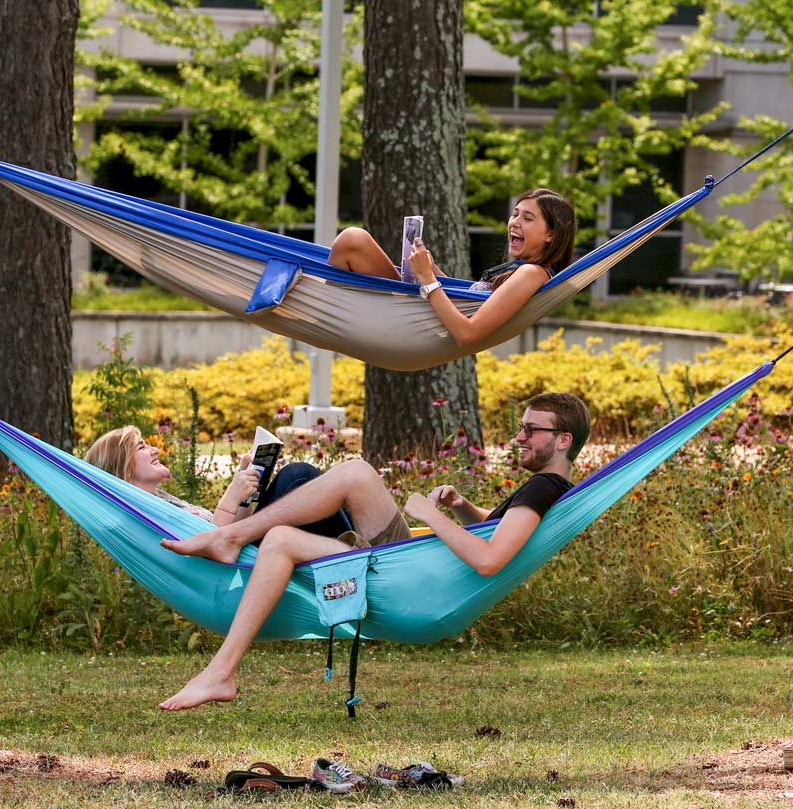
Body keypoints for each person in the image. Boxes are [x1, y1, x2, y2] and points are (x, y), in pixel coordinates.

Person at [155, 392, 590, 710]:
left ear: (563, 440)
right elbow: (497, 535)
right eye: (521, 427)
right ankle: (221, 667)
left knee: (355, 475)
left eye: (531, 429)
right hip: (418, 573)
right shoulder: (548, 489)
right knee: (284, 537)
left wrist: (428, 513)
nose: (519, 437)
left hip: (415, 582)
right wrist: (462, 508)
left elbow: (489, 559)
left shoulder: (543, 485)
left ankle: (228, 543)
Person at [326, 189, 577, 350]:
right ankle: (326, 312)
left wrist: (426, 277)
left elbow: (468, 333)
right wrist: (433, 271)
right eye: (515, 214)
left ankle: (324, 312)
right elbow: (466, 302)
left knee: (353, 240)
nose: (515, 222)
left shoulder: (531, 273)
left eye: (528, 218)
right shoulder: (521, 270)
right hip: (414, 318)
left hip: (414, 328)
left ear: (550, 236)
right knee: (353, 241)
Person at [84, 425, 351, 536]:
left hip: (242, 549)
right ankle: (365, 551)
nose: (154, 449)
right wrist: (231, 496)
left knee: (302, 480)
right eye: (142, 447)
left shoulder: (162, 500)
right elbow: (212, 545)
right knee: (298, 476)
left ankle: (360, 546)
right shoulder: (145, 512)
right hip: (237, 567)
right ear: (122, 468)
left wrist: (245, 494)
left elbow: (232, 531)